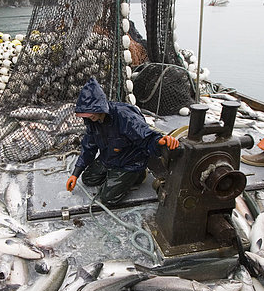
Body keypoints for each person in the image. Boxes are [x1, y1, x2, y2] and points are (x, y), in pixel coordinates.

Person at [65, 77, 179, 205]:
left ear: (100, 107)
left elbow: (147, 136)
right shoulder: (93, 121)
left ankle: (139, 174)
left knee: (107, 198)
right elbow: (88, 147)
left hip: (129, 163)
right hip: (109, 158)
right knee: (88, 179)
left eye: (90, 113)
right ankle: (116, 176)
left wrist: (160, 141)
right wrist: (75, 174)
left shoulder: (125, 115)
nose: (88, 118)